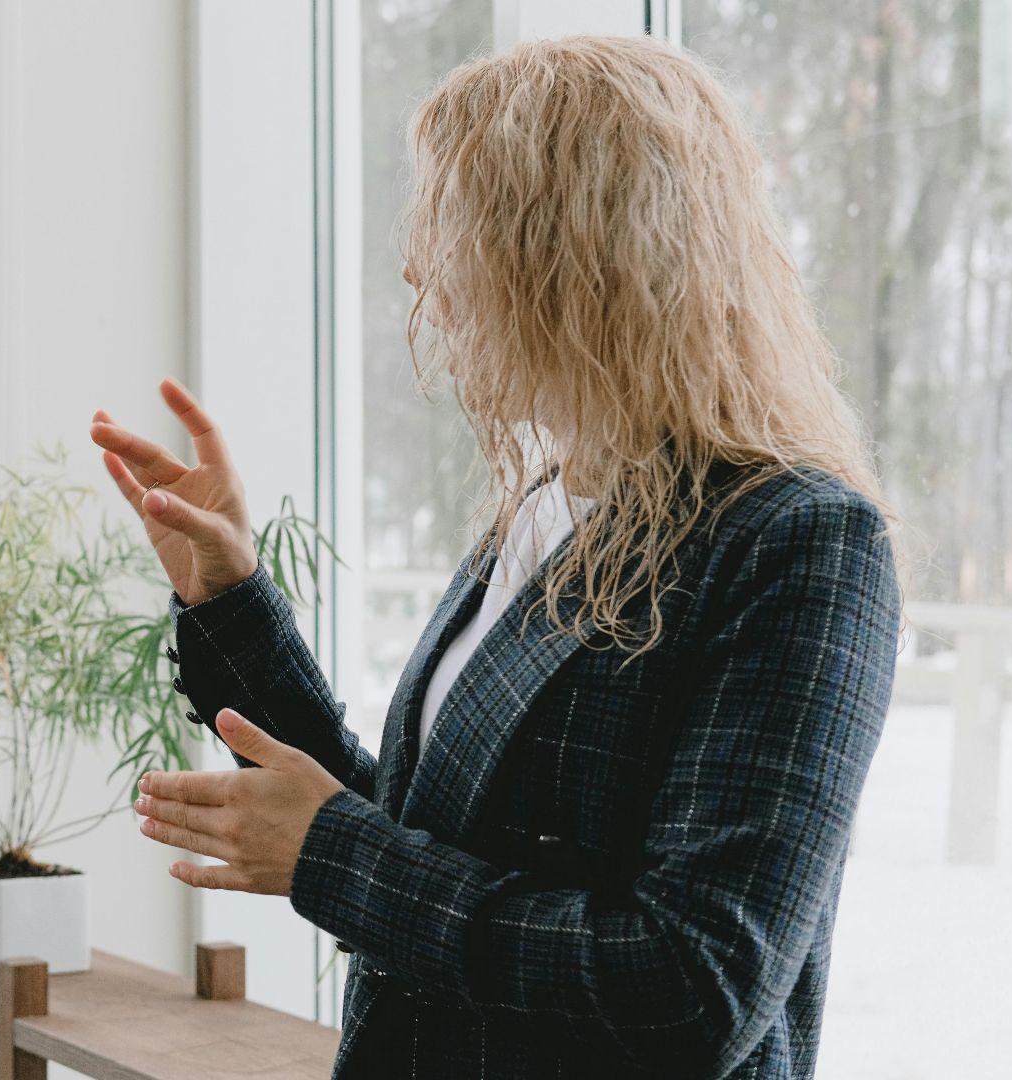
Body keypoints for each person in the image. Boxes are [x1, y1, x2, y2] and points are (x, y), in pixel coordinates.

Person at [92, 36, 902, 1079]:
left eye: (454, 224)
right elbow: (430, 838)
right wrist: (231, 600)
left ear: (578, 250)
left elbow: (696, 985)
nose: (419, 268)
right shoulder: (551, 503)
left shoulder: (800, 542)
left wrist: (334, 854)